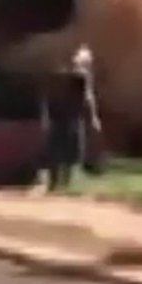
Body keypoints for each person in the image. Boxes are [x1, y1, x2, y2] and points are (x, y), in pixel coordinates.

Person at [40, 46, 102, 192]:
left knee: (60, 150)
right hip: (67, 117)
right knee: (65, 150)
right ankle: (59, 183)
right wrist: (92, 117)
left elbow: (47, 98)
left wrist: (92, 116)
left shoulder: (62, 76)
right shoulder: (76, 77)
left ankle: (57, 183)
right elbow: (87, 98)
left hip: (64, 117)